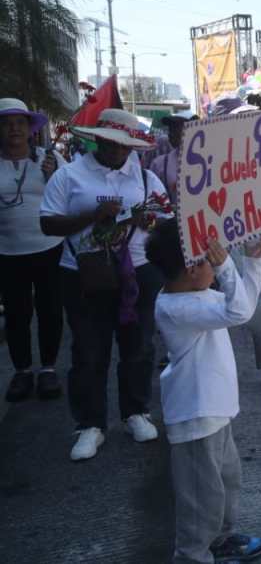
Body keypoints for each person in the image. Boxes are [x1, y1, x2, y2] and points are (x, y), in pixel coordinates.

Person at [40, 108, 170, 461]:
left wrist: (149, 221)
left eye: (124, 146)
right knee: (88, 351)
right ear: (96, 139)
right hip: (82, 274)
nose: (117, 151)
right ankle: (89, 424)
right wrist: (93, 217)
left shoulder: (145, 178)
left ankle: (135, 413)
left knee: (138, 346)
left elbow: (165, 221)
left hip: (139, 272)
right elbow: (48, 226)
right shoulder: (69, 176)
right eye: (111, 143)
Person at [147, 219, 261, 564]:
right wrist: (231, 265)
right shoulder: (178, 307)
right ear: (192, 267)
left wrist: (253, 261)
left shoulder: (193, 295)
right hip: (196, 416)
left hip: (214, 412)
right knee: (201, 500)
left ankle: (221, 540)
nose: (216, 267)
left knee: (225, 484)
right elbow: (239, 310)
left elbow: (240, 302)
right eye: (210, 259)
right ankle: (192, 554)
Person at [0, 98, 66, 402]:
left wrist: (53, 177)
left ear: (30, 129)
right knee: (16, 314)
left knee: (50, 309)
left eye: (20, 123)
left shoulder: (50, 159)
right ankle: (23, 371)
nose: (13, 129)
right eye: (6, 123)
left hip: (48, 248)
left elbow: (70, 198)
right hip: (8, 252)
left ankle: (48, 369)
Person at [149, 110, 198, 206]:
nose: (171, 134)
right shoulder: (159, 164)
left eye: (177, 129)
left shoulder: (211, 159)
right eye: (171, 129)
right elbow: (153, 199)